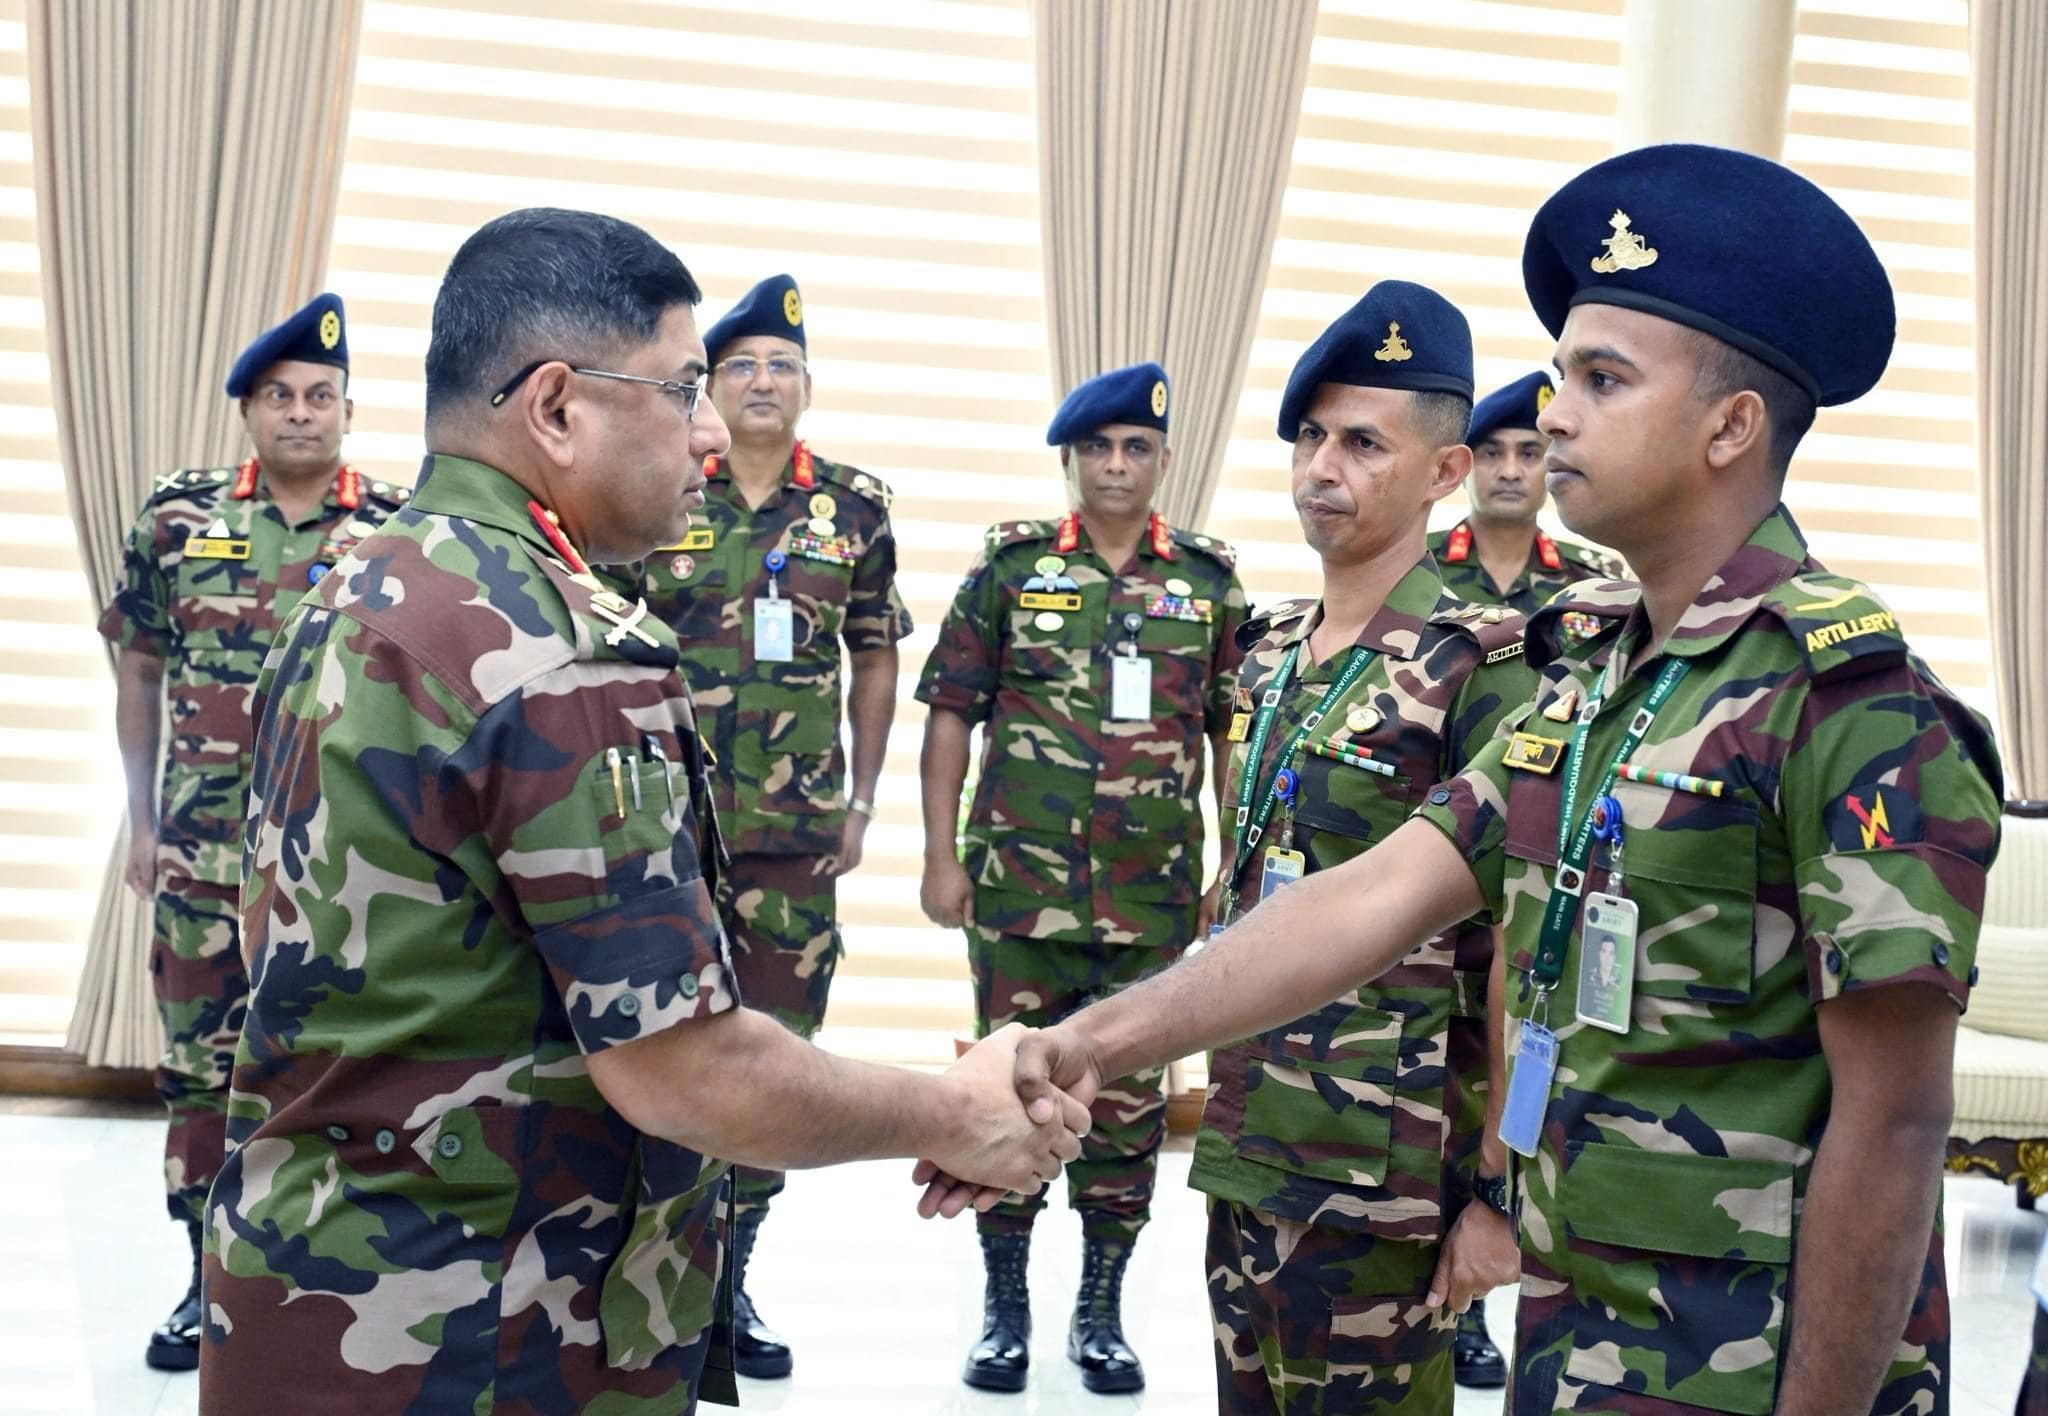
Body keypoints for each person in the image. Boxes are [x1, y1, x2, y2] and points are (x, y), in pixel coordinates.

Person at [935, 144, 2007, 1416]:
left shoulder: (1850, 707)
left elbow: (1892, 1132)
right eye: (1562, 374)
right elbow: (1360, 900)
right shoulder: (1597, 678)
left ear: (1731, 426)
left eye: (1602, 381)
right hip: (1573, 1336)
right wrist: (1082, 1045)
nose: (1550, 414)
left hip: (1751, 1365)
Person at [199, 208, 1086, 1415]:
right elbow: (688, 1072)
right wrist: (961, 1113)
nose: (712, 430)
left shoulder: (363, 583)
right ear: (558, 408)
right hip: (484, 1341)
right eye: (681, 389)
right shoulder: (556, 653)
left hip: (311, 1293)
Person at [1189, 280, 1534, 1412]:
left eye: (1359, 443)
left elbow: (1526, 961)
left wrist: (1497, 1190)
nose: (1318, 468)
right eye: (1308, 436)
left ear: (1445, 473)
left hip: (1386, 1173)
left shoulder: (1488, 669)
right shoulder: (1276, 647)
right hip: (1251, 1133)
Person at [915, 361, 1248, 1394]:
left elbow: (1231, 732)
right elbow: (950, 712)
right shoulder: (1011, 569)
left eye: (1135, 448)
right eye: (1097, 448)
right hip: (1017, 887)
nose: (1115, 465)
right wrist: (938, 853)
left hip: (1150, 897)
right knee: (1006, 1089)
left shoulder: (1205, 581)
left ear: (1160, 461)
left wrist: (1231, 860)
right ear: (1069, 459)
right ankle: (1004, 1306)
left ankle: (1099, 1310)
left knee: (1131, 1110)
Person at [98, 292, 409, 1371]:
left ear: (349, 411)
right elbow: (139, 666)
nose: (300, 415)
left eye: (320, 396)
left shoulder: (398, 527)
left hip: (342, 865)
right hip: (198, 853)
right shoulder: (178, 517)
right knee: (197, 1069)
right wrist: (140, 821)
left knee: (329, 1071)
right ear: (246, 411)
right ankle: (203, 1277)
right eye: (278, 396)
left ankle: (317, 1279)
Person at [632, 273, 912, 1379]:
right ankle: (653, 1281)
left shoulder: (853, 505)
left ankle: (727, 1282)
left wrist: (859, 799)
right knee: (659, 1052)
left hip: (795, 840)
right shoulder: (663, 483)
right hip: (666, 832)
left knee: (775, 1062)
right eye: (738, 364)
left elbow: (878, 648)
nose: (760, 381)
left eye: (780, 365)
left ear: (807, 386)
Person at [1427, 370, 1621, 620]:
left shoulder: (1597, 581)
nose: (1510, 472)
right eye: (1492, 453)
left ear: (1553, 465)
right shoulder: (1413, 568)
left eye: (1529, 454)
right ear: (1465, 467)